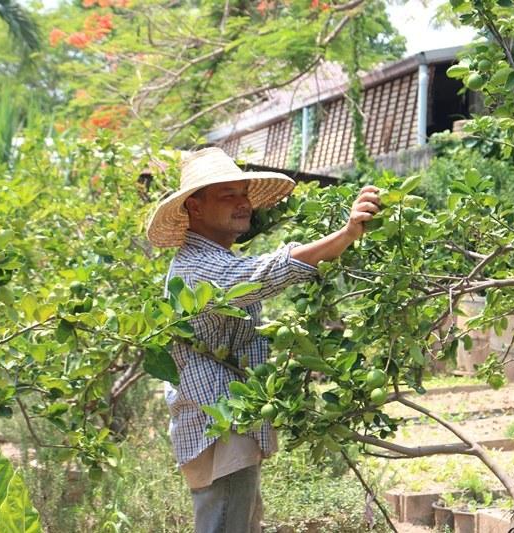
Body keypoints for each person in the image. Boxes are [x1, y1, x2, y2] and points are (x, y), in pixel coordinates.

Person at [146, 147, 380, 533]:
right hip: (218, 425)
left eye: (244, 194)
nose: (243, 204)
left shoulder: (215, 258)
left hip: (230, 421)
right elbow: (265, 274)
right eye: (228, 196)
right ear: (195, 208)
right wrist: (346, 234)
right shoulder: (197, 266)